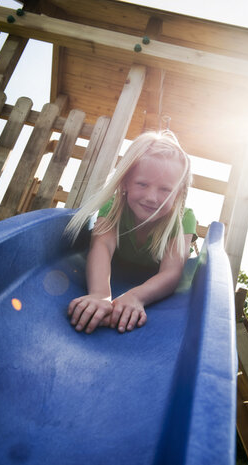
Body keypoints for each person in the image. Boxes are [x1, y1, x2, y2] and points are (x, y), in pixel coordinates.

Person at [66, 130, 197, 335]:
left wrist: (136, 297)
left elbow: (171, 272)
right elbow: (102, 247)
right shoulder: (113, 206)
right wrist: (100, 294)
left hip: (149, 282)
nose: (152, 197)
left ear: (178, 192)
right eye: (143, 184)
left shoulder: (182, 219)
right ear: (126, 182)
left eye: (165, 189)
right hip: (115, 271)